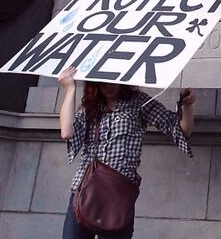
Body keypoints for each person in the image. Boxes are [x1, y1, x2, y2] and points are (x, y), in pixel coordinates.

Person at [58, 66, 195, 239]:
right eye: (102, 81)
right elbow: (66, 132)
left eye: (112, 79)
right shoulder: (90, 107)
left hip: (119, 194)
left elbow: (181, 130)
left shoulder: (138, 102)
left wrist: (187, 106)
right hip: (84, 190)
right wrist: (70, 89)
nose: (108, 86)